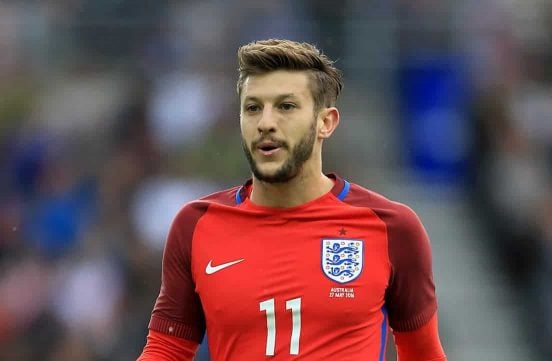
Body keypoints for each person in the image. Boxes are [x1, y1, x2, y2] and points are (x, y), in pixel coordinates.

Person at [137, 39, 446, 361]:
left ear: (325, 122)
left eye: (286, 106)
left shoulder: (392, 227)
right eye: (253, 107)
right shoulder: (196, 225)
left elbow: (422, 353)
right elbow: (167, 349)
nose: (266, 123)